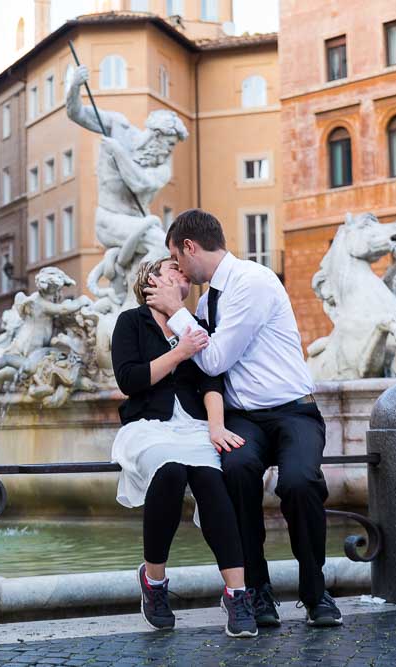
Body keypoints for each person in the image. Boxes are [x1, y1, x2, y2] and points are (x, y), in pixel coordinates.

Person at [144, 208, 342, 628]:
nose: (178, 269)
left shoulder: (251, 282)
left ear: (190, 247)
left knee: (300, 483)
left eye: (177, 260)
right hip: (245, 419)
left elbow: (214, 360)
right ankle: (256, 592)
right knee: (234, 472)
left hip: (293, 411)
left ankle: (315, 592)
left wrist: (175, 310)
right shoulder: (209, 297)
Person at [111, 258, 257, 638]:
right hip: (148, 426)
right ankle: (154, 581)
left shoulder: (195, 323)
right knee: (171, 471)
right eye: (171, 268)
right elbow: (130, 380)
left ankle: (237, 593)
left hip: (193, 426)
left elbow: (212, 383)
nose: (182, 273)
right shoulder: (131, 322)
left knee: (212, 481)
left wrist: (216, 428)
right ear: (151, 280)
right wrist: (180, 351)